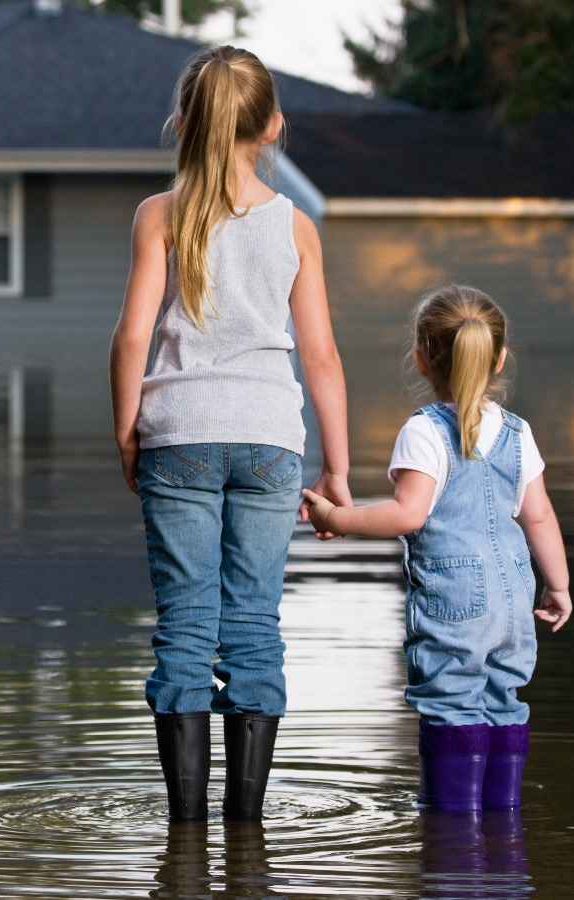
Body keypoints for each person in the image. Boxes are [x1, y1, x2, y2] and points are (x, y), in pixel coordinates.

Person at [109, 45, 351, 822]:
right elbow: (321, 355)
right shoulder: (297, 227)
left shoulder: (161, 214)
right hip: (271, 439)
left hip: (177, 433)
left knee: (186, 626)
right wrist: (338, 470)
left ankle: (184, 835)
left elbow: (132, 336)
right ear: (273, 126)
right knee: (252, 625)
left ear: (183, 124)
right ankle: (247, 833)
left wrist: (127, 433)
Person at [300, 285, 572, 811]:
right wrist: (557, 584)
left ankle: (452, 833)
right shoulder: (517, 433)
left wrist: (338, 518)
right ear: (498, 358)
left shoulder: (424, 431)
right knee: (503, 698)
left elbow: (409, 514)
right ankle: (504, 828)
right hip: (515, 597)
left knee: (451, 703)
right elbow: (538, 514)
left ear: (422, 357)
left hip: (456, 598)